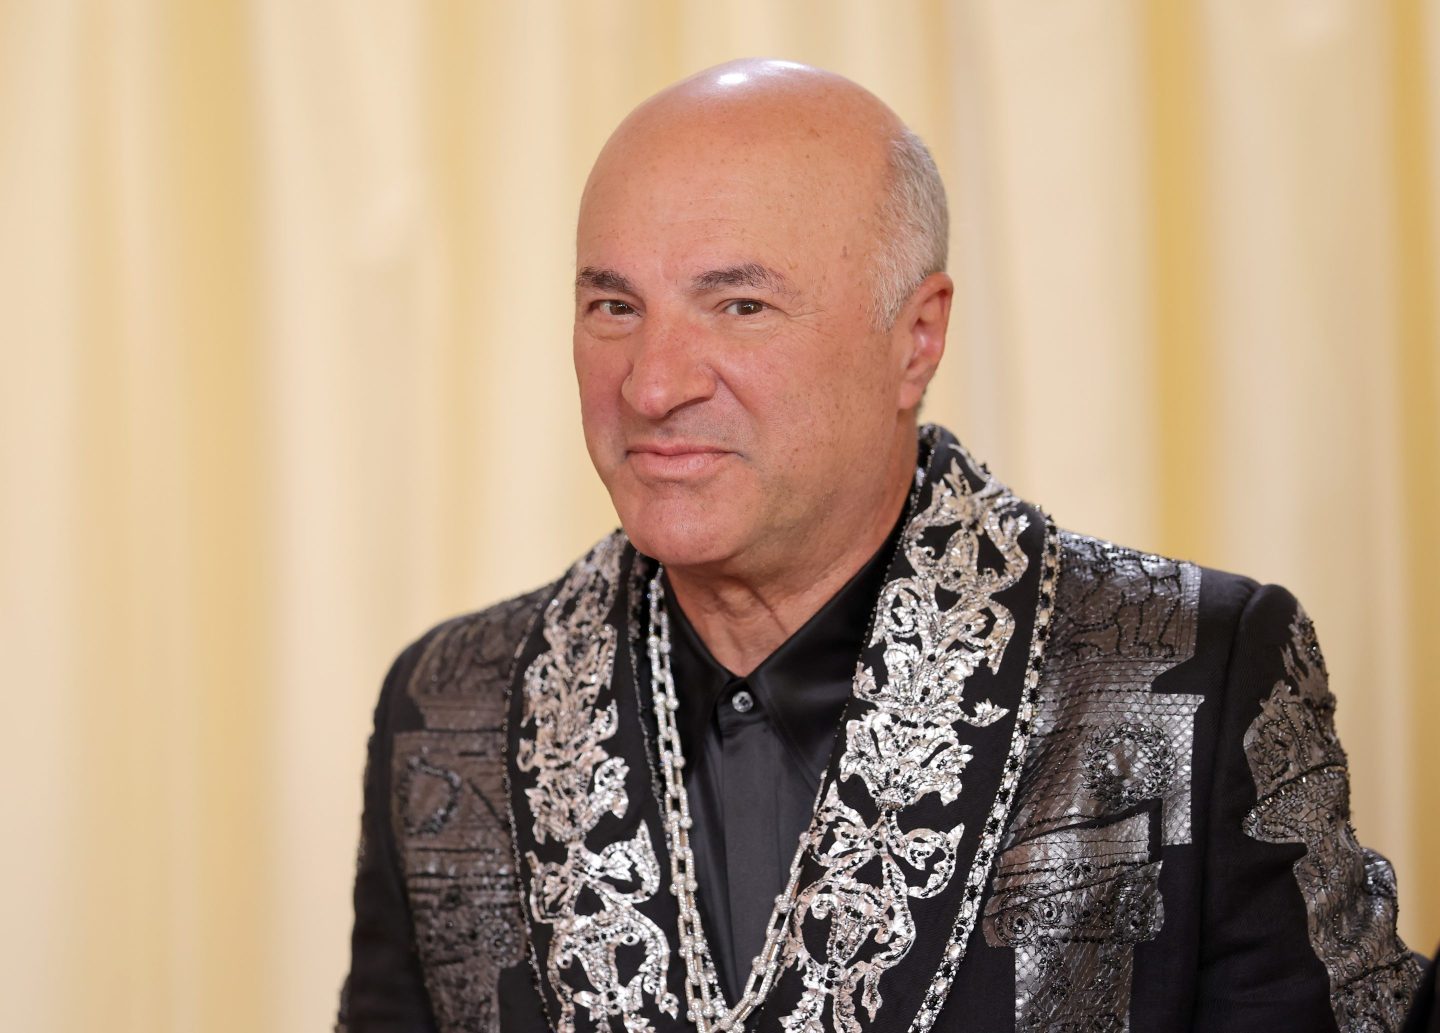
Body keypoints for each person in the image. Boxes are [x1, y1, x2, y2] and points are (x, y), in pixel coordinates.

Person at [336, 59, 1425, 1033]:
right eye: (614, 306)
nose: (654, 383)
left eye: (742, 304)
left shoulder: (1192, 671)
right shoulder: (452, 708)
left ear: (918, 339)